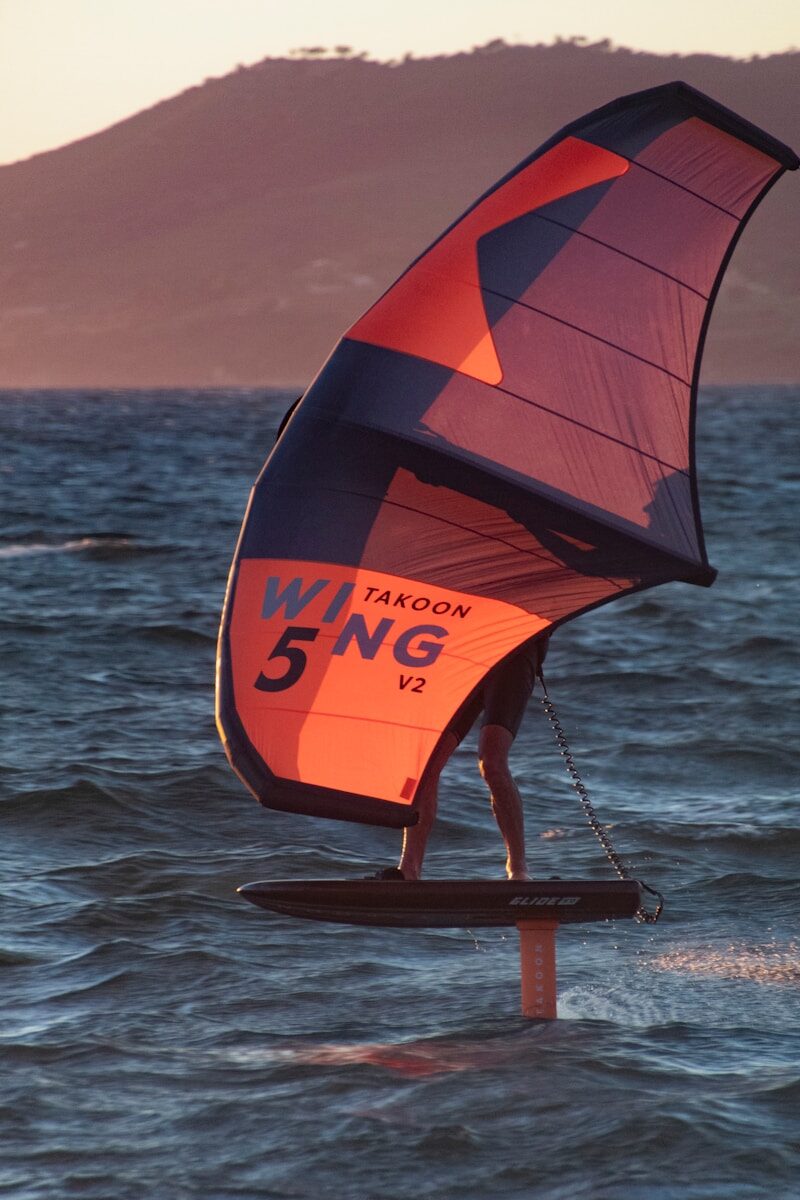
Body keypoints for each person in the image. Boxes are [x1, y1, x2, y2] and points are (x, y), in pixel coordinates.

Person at [376, 632, 550, 882]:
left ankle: (519, 871)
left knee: (491, 762)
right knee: (426, 762)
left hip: (514, 652)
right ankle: (409, 869)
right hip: (464, 651)